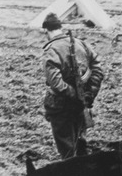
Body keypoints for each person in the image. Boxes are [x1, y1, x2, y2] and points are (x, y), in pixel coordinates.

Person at [40, 13, 105, 159]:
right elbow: (98, 69)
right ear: (60, 27)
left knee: (67, 152)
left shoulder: (51, 50)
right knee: (80, 145)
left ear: (46, 31)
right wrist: (89, 94)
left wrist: (76, 95)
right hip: (81, 105)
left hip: (60, 107)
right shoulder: (81, 43)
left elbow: (56, 83)